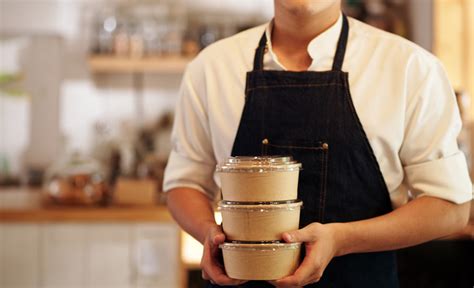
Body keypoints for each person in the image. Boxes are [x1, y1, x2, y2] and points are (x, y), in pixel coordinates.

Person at [164, 1, 472, 287]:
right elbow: (184, 183)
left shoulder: (410, 68)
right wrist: (210, 234)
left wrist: (341, 239)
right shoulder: (211, 68)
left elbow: (450, 207)